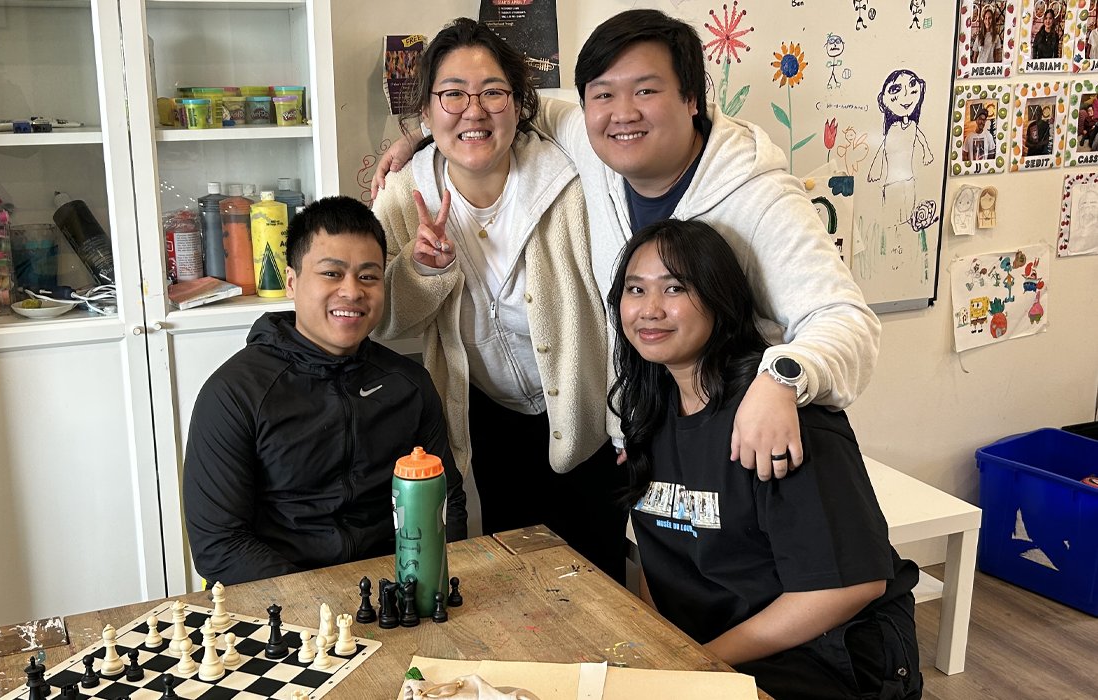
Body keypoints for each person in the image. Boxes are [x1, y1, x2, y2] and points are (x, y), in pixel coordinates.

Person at [374, 9, 882, 484]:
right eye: (602, 94)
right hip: (643, 427)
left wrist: (781, 381)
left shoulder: (756, 197)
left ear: (691, 99)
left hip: (739, 430)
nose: (622, 113)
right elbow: (507, 114)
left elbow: (846, 320)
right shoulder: (594, 150)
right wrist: (418, 140)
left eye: (645, 90)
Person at [609, 219, 922, 700]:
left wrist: (700, 662)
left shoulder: (780, 419)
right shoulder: (647, 414)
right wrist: (666, 648)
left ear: (720, 297)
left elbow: (849, 587)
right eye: (636, 289)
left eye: (675, 288)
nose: (650, 310)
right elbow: (665, 556)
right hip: (717, 649)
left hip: (824, 651)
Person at [370, 19, 626, 582]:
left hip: (588, 415)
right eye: (453, 94)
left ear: (518, 102)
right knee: (516, 578)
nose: (474, 110)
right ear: (427, 108)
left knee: (598, 582)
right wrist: (418, 270)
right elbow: (379, 319)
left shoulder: (568, 174)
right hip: (487, 417)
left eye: (492, 92)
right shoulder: (404, 195)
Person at [183, 196, 468, 586]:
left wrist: (428, 588)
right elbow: (220, 545)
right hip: (286, 603)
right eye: (332, 274)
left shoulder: (408, 384)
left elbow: (446, 503)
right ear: (291, 282)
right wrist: (325, 608)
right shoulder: (234, 393)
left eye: (368, 276)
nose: (352, 292)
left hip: (395, 590)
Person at [867, 68, 934, 225]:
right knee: (892, 220)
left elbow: (921, 138)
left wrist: (927, 152)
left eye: (912, 86)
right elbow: (882, 148)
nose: (906, 95)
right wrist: (875, 169)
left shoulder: (912, 126)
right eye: (896, 89)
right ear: (883, 99)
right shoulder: (893, 129)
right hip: (892, 183)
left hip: (909, 179)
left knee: (908, 217)